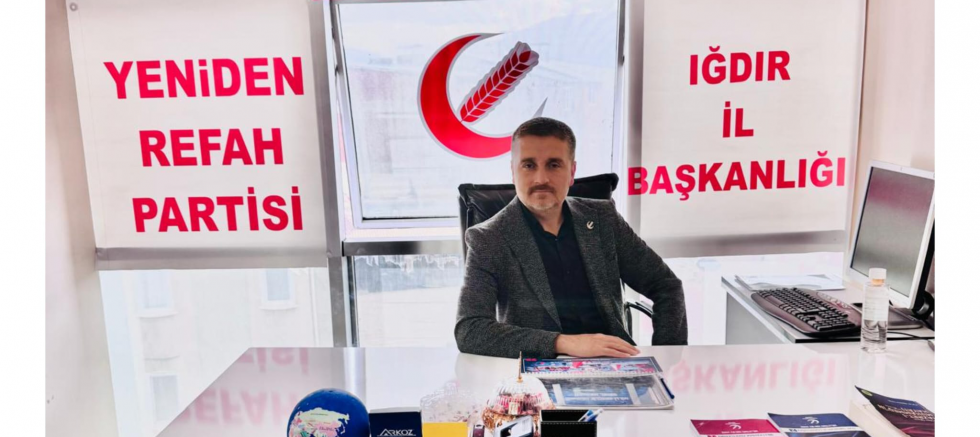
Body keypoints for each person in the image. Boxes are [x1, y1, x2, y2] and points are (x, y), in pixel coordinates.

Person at [455, 117, 688, 359]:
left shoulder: (602, 218)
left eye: (554, 165)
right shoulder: (489, 238)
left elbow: (666, 286)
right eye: (529, 165)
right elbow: (470, 330)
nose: (541, 179)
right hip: (537, 372)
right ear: (513, 171)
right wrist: (563, 343)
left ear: (572, 172)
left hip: (614, 365)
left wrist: (666, 357)